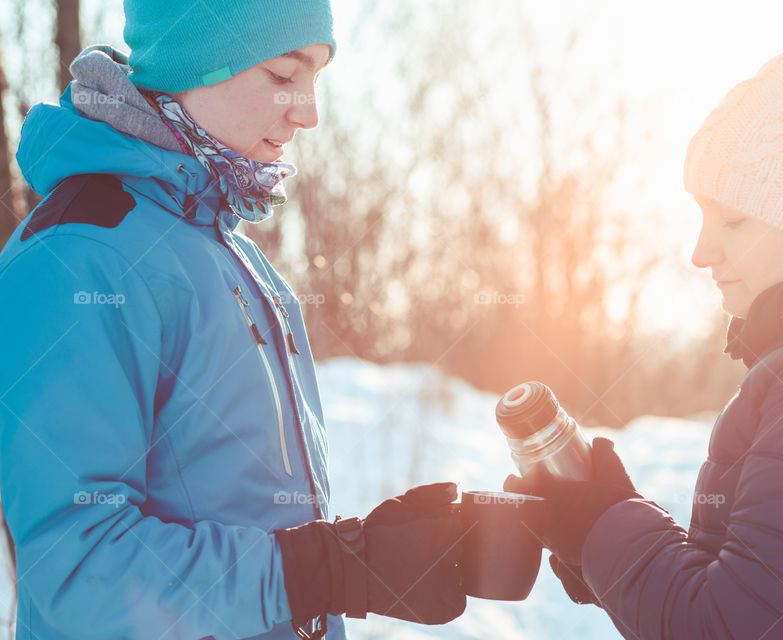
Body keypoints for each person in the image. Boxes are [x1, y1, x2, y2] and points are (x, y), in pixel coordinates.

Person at [0, 2, 465, 639]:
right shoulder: (79, 255)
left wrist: (361, 550)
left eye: (316, 79)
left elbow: (238, 506)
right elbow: (77, 572)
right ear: (193, 64)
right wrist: (320, 572)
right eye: (282, 74)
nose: (310, 112)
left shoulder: (228, 252)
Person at [507, 0, 783, 637]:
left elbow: (730, 627)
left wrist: (601, 521)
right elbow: (751, 591)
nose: (700, 252)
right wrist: (604, 531)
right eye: (700, 215)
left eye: (733, 219)